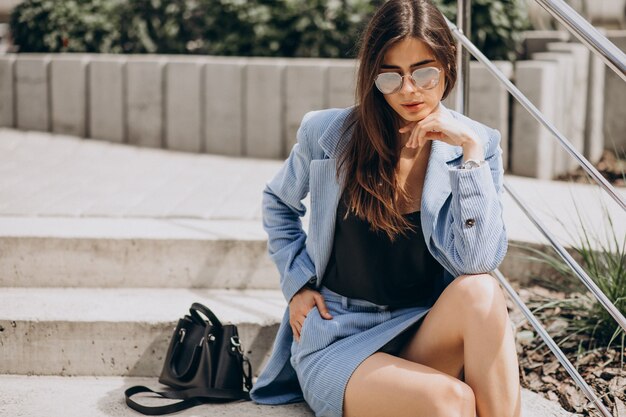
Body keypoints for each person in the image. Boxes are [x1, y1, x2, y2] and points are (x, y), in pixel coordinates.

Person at [249, 0, 522, 416]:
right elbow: (277, 202)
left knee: (481, 289)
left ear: (448, 65)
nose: (409, 89)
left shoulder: (477, 143)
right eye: (390, 76)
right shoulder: (328, 134)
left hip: (419, 328)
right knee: (452, 401)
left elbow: (479, 259)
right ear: (372, 76)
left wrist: (467, 157)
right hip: (338, 335)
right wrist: (298, 284)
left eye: (424, 71)